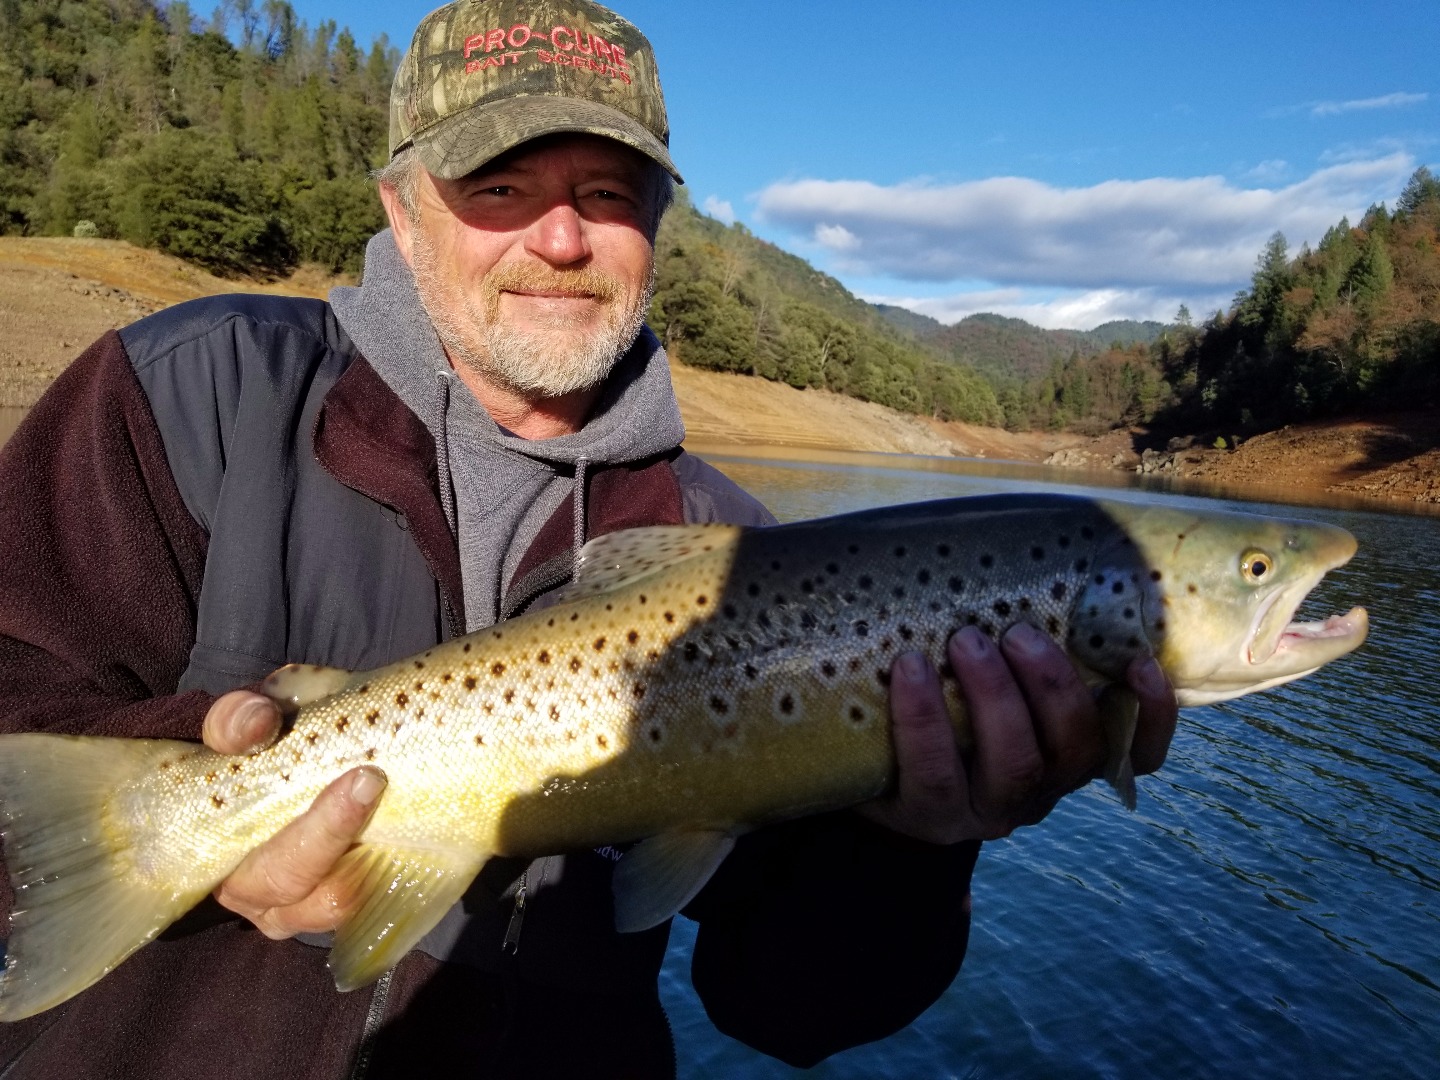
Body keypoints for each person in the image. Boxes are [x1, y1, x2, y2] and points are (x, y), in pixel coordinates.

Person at [0, 1, 1177, 1076]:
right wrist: (201, 799)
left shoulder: (731, 556)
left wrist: (923, 847)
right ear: (404, 215)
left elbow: (788, 1010)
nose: (562, 238)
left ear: (656, 227)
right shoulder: (189, 393)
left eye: (609, 194)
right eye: (498, 188)